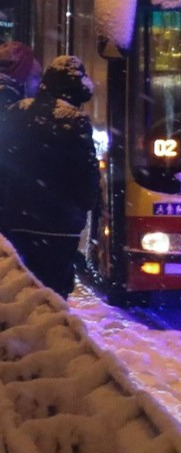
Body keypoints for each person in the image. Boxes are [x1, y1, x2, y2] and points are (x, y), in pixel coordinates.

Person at [0, 55, 101, 297]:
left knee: (17, 290)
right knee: (52, 294)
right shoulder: (75, 122)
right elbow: (86, 180)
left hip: (15, 223)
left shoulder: (17, 111)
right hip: (58, 229)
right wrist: (81, 207)